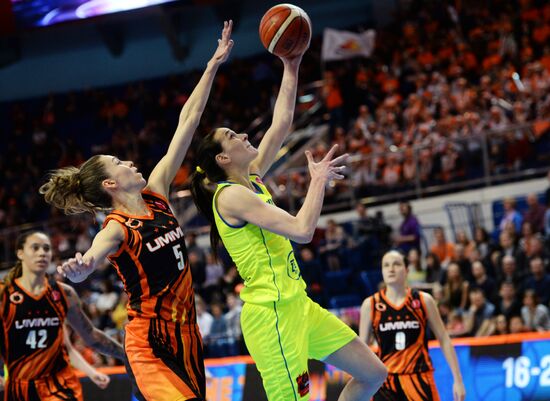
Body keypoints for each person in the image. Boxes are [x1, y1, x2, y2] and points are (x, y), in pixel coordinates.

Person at [39, 21, 234, 401]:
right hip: (149, 342)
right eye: (118, 162)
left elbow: (187, 123)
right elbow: (93, 256)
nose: (129, 161)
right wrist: (81, 268)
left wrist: (212, 66)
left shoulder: (157, 192)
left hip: (188, 337)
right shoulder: (116, 228)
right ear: (110, 184)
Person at [190, 51, 387, 400]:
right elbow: (302, 230)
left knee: (372, 373)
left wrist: (291, 66)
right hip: (272, 316)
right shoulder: (230, 197)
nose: (243, 136)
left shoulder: (251, 178)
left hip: (299, 305)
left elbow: (281, 122)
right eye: (233, 136)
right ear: (222, 159)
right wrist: (318, 180)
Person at [0, 231, 124, 400]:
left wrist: (126, 354)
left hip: (60, 386)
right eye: (35, 248)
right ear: (20, 253)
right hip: (21, 388)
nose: (42, 253)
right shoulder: (4, 295)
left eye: (46, 248)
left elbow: (91, 336)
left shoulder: (64, 293)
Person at [360, 250, 466, 401]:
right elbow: (362, 347)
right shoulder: (371, 304)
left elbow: (443, 339)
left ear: (407, 270)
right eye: (386, 265)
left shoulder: (423, 300)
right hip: (385, 382)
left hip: (419, 377)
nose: (391, 269)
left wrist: (458, 380)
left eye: (396, 264)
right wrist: (361, 385)